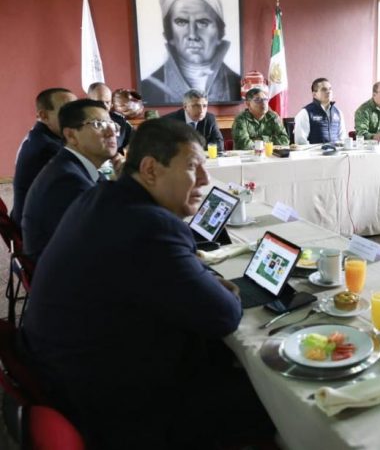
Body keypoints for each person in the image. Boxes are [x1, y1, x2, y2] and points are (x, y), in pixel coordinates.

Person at [20, 118, 274, 449]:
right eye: (192, 167)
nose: (205, 179)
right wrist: (223, 288)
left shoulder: (102, 197)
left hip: (66, 370)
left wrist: (201, 278)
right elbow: (224, 316)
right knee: (269, 399)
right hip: (115, 404)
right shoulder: (149, 225)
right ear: (150, 169)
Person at [22, 99, 119, 261]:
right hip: (63, 270)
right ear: (71, 135)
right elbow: (104, 235)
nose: (112, 133)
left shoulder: (72, 165)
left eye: (113, 125)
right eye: (99, 124)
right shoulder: (67, 180)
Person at [141, 0, 241, 105]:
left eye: (203, 22)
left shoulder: (238, 85)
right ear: (169, 32)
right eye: (181, 22)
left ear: (220, 31)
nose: (192, 35)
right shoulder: (148, 88)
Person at [11, 88, 77, 227]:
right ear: (44, 116)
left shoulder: (42, 135)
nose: (77, 116)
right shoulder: (47, 147)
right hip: (36, 229)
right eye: (67, 111)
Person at [293, 78, 347, 144]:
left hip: (336, 150)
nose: (328, 92)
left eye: (330, 89)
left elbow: (343, 138)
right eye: (324, 89)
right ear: (314, 94)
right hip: (315, 150)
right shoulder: (305, 113)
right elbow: (300, 142)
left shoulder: (338, 113)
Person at [87, 82, 133, 154]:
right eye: (100, 102)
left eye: (107, 102)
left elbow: (135, 145)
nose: (104, 106)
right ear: (89, 101)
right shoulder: (81, 124)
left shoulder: (120, 121)